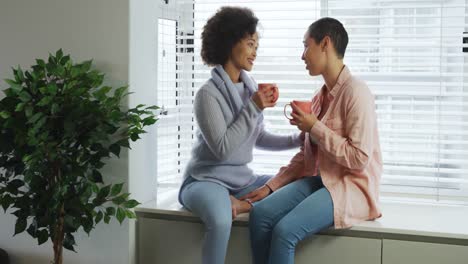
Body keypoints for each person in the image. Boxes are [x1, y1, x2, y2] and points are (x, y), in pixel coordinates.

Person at [242, 17, 383, 264]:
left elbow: (359, 159)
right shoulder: (319, 98)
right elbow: (306, 157)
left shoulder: (357, 92)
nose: (302, 55)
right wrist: (271, 186)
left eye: (306, 46)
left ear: (325, 44)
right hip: (322, 180)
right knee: (260, 214)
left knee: (285, 231)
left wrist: (315, 128)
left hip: (351, 186)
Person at [177, 6, 302, 264]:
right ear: (230, 42)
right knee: (221, 220)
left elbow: (257, 136)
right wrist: (254, 106)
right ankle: (232, 204)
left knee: (294, 184)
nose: (255, 51)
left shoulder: (250, 88)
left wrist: (298, 139)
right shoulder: (207, 95)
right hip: (206, 181)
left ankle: (243, 204)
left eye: (257, 44)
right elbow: (223, 148)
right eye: (249, 43)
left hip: (242, 182)